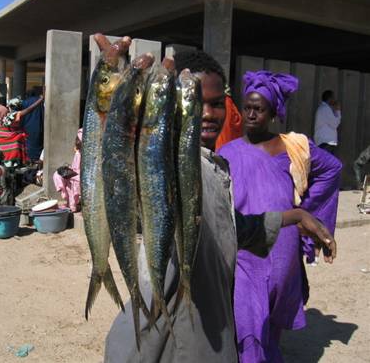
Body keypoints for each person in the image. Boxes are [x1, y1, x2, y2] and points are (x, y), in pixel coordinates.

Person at [102, 40, 336, 362]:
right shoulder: (166, 161)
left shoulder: (217, 165)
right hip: (174, 344)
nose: (209, 114)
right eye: (196, 102)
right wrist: (123, 107)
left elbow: (230, 227)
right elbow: (138, 179)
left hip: (213, 336)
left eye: (217, 103)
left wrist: (294, 215)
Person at [218, 71, 342, 362]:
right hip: (247, 249)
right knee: (247, 320)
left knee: (270, 323)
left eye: (258, 109)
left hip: (283, 249)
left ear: (273, 113)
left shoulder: (292, 148)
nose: (250, 114)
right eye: (247, 107)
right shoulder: (226, 152)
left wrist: (306, 214)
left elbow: (332, 169)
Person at [0, 96, 43, 167]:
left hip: (1, 135)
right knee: (16, 146)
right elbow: (29, 109)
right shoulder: (15, 114)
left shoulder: (9, 114)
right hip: (7, 136)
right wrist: (39, 101)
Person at [53, 128, 82, 212]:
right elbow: (75, 166)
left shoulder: (86, 154)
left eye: (78, 139)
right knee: (57, 174)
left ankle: (72, 205)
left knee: (74, 182)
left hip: (80, 177)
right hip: (75, 174)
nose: (77, 141)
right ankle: (63, 192)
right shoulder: (78, 153)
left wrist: (73, 174)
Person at [314, 90, 341, 155]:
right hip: (326, 142)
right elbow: (334, 124)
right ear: (330, 98)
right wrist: (338, 111)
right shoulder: (325, 109)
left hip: (325, 142)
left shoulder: (324, 108)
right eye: (334, 97)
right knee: (326, 164)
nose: (335, 100)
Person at [22, 86, 45, 162]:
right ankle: (37, 159)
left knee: (29, 145)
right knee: (38, 144)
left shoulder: (24, 102)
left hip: (27, 127)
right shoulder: (39, 102)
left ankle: (30, 159)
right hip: (38, 126)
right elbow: (43, 114)